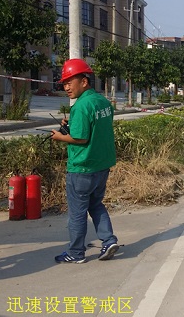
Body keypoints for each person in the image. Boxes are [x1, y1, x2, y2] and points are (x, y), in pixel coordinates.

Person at [51, 58, 119, 264]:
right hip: (102, 166)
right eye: (64, 83)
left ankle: (76, 253)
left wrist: (59, 136)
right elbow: (94, 128)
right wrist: (71, 124)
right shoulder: (102, 102)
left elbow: (81, 138)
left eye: (70, 81)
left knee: (77, 214)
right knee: (96, 205)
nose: (66, 87)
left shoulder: (80, 106)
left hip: (82, 168)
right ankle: (108, 241)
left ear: (84, 80)